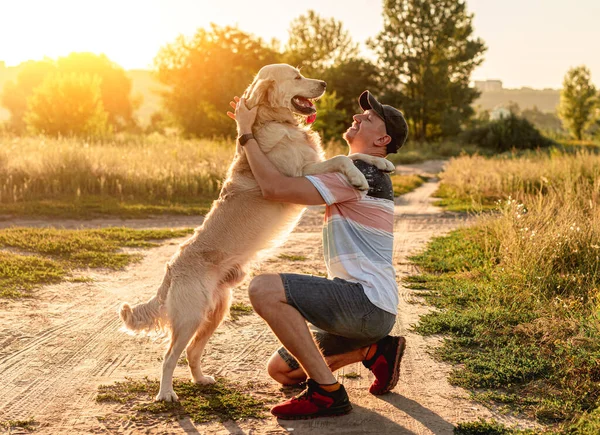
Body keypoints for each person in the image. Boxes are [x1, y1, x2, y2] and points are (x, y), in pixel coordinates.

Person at [227, 90, 409, 420]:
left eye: (367, 118)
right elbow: (295, 172)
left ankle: (328, 393)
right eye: (359, 114)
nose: (357, 117)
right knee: (281, 371)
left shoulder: (361, 175)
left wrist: (246, 132)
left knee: (262, 289)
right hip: (365, 312)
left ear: (383, 138)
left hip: (364, 303)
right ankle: (372, 350)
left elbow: (275, 188)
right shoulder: (357, 169)